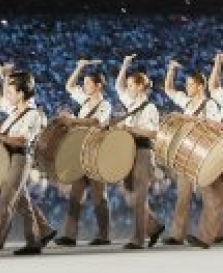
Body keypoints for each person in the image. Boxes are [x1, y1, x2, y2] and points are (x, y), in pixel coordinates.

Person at [0, 69, 44, 255]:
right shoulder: (14, 111)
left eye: (10, 92)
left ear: (21, 93)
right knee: (23, 203)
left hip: (20, 158)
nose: (7, 95)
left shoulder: (33, 114)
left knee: (6, 201)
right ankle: (34, 242)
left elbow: (23, 140)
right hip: (9, 157)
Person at [163, 60, 220, 246]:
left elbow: (216, 127)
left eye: (190, 84)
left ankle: (208, 235)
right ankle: (177, 235)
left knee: (210, 197)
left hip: (203, 157)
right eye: (186, 84)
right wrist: (171, 70)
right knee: (183, 196)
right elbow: (169, 90)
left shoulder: (210, 105)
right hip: (186, 155)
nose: (186, 87)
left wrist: (189, 120)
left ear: (200, 86)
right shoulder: (186, 102)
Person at [55, 59, 112, 247]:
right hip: (80, 151)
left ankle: (104, 235)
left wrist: (73, 121)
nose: (84, 86)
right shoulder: (85, 100)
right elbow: (69, 85)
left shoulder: (105, 105)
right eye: (85, 83)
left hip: (96, 152)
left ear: (98, 86)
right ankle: (70, 235)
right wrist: (79, 67)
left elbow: (96, 122)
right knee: (75, 195)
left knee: (99, 196)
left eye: (88, 83)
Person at [115, 54, 164, 250]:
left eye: (131, 85)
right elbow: (118, 86)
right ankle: (154, 226)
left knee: (140, 195)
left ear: (140, 86)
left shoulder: (150, 107)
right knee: (131, 193)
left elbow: (154, 133)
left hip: (143, 151)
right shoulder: (131, 103)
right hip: (131, 151)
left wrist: (130, 129)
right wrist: (125, 64)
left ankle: (138, 238)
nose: (127, 88)